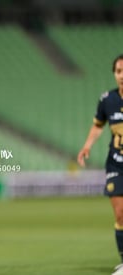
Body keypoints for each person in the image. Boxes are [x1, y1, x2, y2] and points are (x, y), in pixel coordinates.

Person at [77, 54, 123, 275]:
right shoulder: (107, 100)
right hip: (116, 165)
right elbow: (98, 126)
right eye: (118, 71)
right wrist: (87, 146)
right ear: (114, 74)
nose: (122, 76)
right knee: (120, 214)